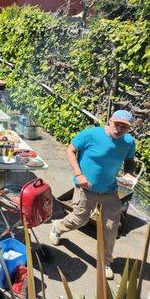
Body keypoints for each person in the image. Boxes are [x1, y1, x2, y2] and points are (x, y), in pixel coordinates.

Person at [49, 110, 137, 280]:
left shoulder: (128, 142)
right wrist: (79, 175)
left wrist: (128, 174)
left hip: (110, 190)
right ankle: (58, 227)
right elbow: (70, 150)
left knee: (111, 227)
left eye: (124, 127)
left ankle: (105, 262)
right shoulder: (91, 134)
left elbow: (130, 161)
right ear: (110, 121)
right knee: (80, 219)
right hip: (86, 188)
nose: (119, 129)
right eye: (116, 124)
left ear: (128, 129)